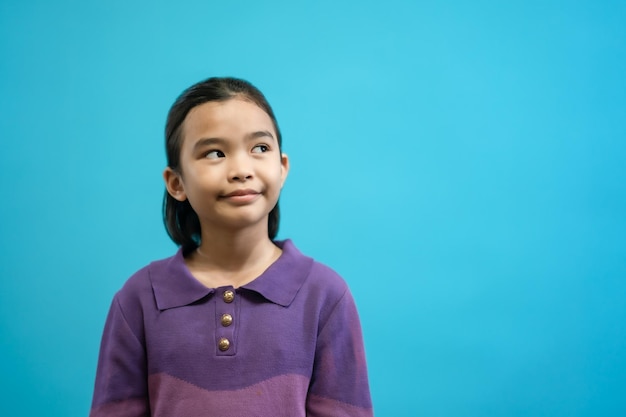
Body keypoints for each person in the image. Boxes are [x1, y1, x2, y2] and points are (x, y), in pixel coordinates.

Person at [89, 77, 373, 417]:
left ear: (282, 169)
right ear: (176, 183)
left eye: (260, 148)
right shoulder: (138, 298)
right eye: (215, 153)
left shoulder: (326, 295)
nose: (241, 170)